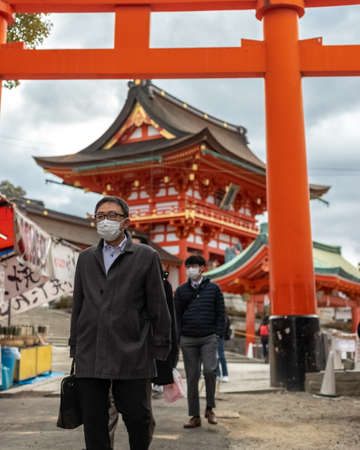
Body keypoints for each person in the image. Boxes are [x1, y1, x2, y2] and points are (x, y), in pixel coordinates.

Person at [69, 196, 171, 450]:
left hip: (132, 350)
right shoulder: (86, 258)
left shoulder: (146, 257)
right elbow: (78, 305)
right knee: (93, 421)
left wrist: (160, 350)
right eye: (100, 215)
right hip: (91, 350)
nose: (105, 221)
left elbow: (158, 305)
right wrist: (75, 346)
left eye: (112, 215)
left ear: (126, 221)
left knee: (137, 417)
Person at [107, 235, 178, 448]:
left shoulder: (161, 285)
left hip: (139, 358)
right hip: (106, 355)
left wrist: (165, 361)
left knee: (139, 414)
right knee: (106, 411)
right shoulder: (107, 278)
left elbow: (166, 323)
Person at [175, 255, 225, 429]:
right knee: (192, 377)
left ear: (203, 268)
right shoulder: (181, 291)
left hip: (208, 337)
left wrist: (218, 334)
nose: (190, 269)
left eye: (194, 266)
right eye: (188, 266)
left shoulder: (214, 289)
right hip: (188, 339)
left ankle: (210, 408)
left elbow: (221, 313)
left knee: (211, 371)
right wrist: (178, 337)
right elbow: (177, 316)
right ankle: (194, 415)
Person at [217, 314, 231, 382]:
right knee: (214, 356)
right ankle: (218, 374)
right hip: (213, 336)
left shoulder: (222, 313)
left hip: (219, 336)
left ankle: (225, 374)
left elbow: (225, 325)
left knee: (221, 355)